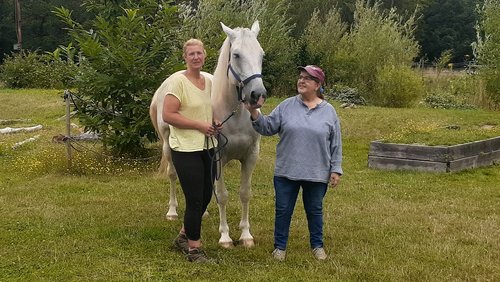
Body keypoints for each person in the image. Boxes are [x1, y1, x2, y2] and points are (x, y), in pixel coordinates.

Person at [245, 65, 343, 261]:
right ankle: (279, 248)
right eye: (300, 77)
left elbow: (336, 143)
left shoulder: (329, 111)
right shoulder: (286, 105)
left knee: (315, 211)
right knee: (283, 211)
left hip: (317, 172)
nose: (301, 81)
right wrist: (254, 112)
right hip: (286, 171)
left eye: (307, 78)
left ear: (317, 85)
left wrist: (336, 169)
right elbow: (267, 127)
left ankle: (317, 246)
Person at [162, 39, 221, 263]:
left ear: (205, 56)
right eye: (191, 54)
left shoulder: (209, 81)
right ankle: (194, 249)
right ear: (185, 57)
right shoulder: (178, 81)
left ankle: (184, 235)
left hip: (208, 146)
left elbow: (210, 107)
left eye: (199, 53)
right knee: (195, 198)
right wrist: (199, 125)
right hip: (186, 149)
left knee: (206, 194)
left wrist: (214, 120)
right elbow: (168, 115)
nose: (196, 57)